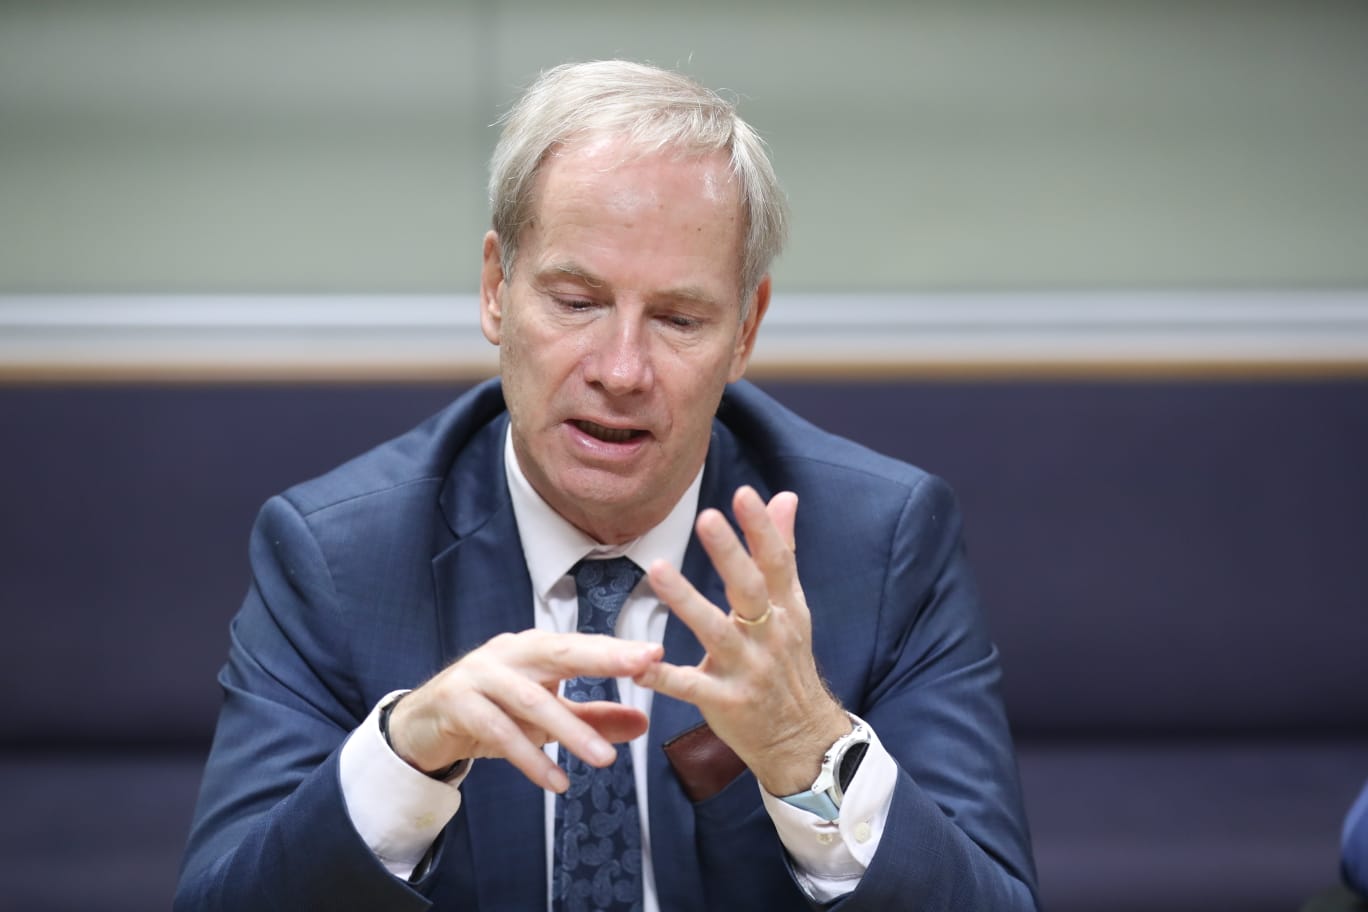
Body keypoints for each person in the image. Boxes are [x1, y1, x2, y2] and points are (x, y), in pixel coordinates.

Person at [175, 60, 1039, 911]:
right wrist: (406, 754)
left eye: (679, 318)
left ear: (745, 332)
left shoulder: (882, 541)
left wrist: (805, 748)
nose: (621, 371)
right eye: (577, 301)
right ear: (496, 289)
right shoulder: (337, 553)